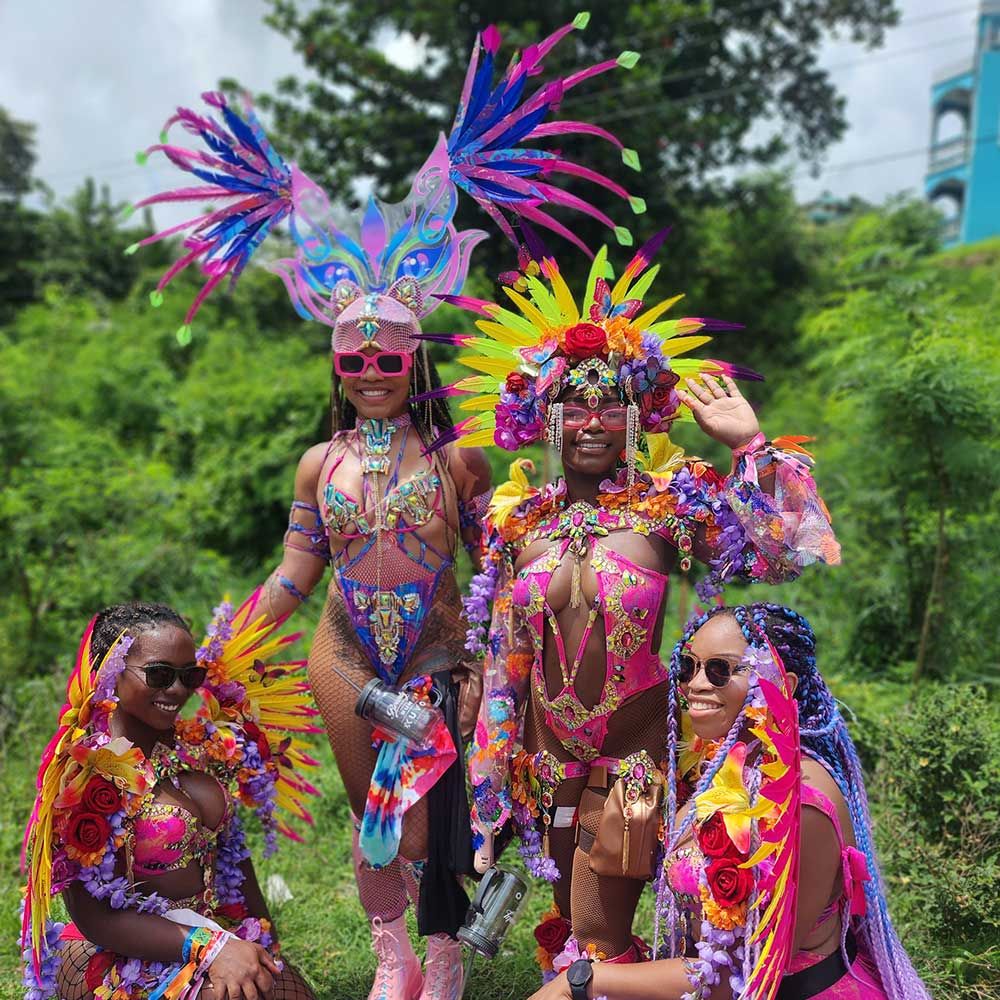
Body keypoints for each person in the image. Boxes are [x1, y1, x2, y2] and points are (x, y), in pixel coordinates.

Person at [129, 17, 648, 1000]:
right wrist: (231, 640)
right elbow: (296, 572)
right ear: (337, 364)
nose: (371, 371)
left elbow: (504, 561)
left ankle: (443, 951)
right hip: (342, 653)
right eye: (355, 358)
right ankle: (392, 956)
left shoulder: (459, 459)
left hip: (436, 654)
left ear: (414, 361)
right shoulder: (316, 463)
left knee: (427, 820)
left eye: (388, 357)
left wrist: (497, 662)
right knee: (371, 818)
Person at [431, 234, 841, 971]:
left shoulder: (671, 507)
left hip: (638, 761)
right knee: (574, 927)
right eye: (574, 406)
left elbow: (784, 556)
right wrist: (487, 799)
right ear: (545, 416)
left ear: (637, 416)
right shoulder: (518, 522)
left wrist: (750, 448)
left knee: (596, 938)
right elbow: (504, 667)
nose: (592, 422)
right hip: (547, 765)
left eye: (609, 406)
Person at [527, 603, 929, 1000]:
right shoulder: (730, 763)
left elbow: (737, 976)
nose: (696, 684)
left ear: (781, 684)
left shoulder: (804, 804)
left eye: (721, 670)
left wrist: (585, 981)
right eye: (689, 667)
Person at [20, 595, 319, 1000]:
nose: (177, 690)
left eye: (189, 676)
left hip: (208, 934)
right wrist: (209, 947)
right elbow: (94, 918)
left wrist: (263, 945)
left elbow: (234, 857)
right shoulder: (82, 773)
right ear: (110, 672)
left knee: (280, 989)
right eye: (159, 675)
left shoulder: (202, 749)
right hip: (117, 950)